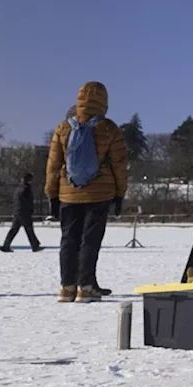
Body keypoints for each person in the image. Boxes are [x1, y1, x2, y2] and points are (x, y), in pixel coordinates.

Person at [46, 81, 128, 303]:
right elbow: (119, 165)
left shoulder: (63, 128)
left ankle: (67, 287)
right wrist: (120, 193)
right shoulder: (109, 129)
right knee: (90, 240)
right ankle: (86, 287)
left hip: (67, 193)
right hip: (99, 194)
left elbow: (53, 165)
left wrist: (52, 194)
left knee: (68, 240)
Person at [2, 172, 43, 252]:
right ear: (29, 180)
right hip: (24, 212)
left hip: (17, 211)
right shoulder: (26, 189)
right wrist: (31, 210)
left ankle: (6, 245)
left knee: (14, 229)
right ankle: (35, 246)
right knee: (29, 229)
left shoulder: (19, 188)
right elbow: (28, 201)